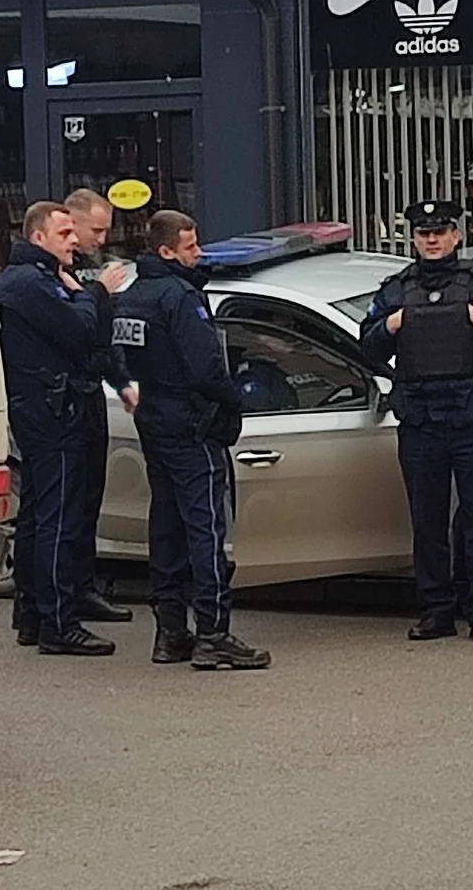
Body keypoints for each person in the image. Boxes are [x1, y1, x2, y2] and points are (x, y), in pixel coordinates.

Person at [359, 199, 473, 644]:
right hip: (422, 422)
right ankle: (436, 611)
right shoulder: (396, 290)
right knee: (428, 521)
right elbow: (368, 346)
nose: (432, 240)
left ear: (456, 236)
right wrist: (391, 326)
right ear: (414, 239)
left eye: (440, 232)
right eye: (424, 233)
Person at [113, 210, 271, 671]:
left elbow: (123, 357)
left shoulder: (133, 296)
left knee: (166, 527)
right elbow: (206, 368)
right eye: (190, 247)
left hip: (154, 418)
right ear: (167, 251)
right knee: (205, 529)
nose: (198, 253)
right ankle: (213, 634)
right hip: (190, 423)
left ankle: (170, 632)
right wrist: (232, 404)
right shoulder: (180, 298)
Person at [0, 200, 129, 656]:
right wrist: (95, 294)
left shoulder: (39, 279)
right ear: (39, 237)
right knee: (57, 517)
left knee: (40, 513)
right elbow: (80, 331)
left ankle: (34, 614)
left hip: (47, 408)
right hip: (52, 413)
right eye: (64, 233)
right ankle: (57, 622)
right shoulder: (32, 284)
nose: (74, 241)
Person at [59, 188, 133, 629]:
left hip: (90, 394)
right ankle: (61, 597)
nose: (101, 240)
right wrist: (98, 293)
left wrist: (121, 383)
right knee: (66, 506)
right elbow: (77, 334)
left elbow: (105, 337)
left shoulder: (90, 271)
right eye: (97, 230)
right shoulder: (57, 275)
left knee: (89, 498)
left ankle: (83, 588)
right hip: (65, 399)